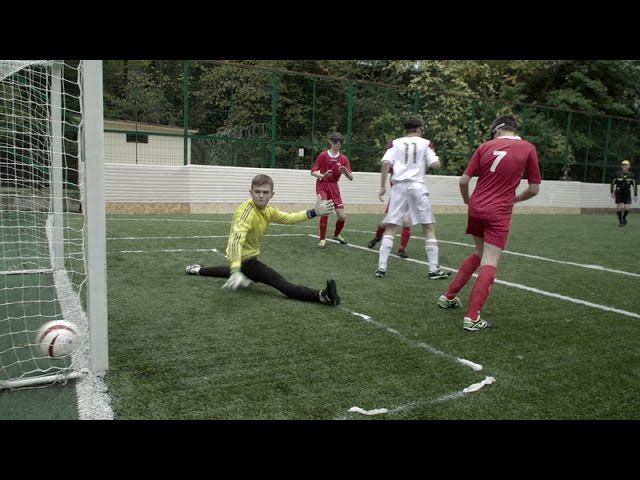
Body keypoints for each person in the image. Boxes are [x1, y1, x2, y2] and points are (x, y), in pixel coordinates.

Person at [437, 115, 541, 331]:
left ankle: (448, 297)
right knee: (490, 260)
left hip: (476, 207)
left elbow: (463, 181)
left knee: (479, 252)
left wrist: (467, 201)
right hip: (498, 211)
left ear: (497, 130)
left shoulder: (484, 146)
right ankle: (472, 318)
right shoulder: (528, 148)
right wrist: (515, 199)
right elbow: (534, 189)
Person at [185, 174, 340, 306]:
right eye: (257, 191)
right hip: (246, 260)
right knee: (282, 284)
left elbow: (289, 218)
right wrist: (235, 268)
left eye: (265, 192)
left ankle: (197, 270)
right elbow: (235, 241)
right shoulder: (246, 213)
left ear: (272, 194)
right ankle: (322, 296)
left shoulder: (268, 210)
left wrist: (314, 212)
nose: (261, 195)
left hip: (247, 260)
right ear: (251, 192)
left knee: (238, 272)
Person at [375, 115, 448, 279]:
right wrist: (436, 160)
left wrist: (382, 186)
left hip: (399, 187)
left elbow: (385, 163)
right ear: (419, 129)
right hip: (417, 186)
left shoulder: (395, 143)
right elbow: (435, 164)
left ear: (405, 129)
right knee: (428, 227)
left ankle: (381, 268)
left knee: (391, 226)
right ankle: (433, 270)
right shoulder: (425, 143)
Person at [310, 132, 354, 248]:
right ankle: (322, 239)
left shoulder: (343, 159)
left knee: (342, 216)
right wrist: (323, 175)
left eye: (340, 142)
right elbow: (313, 172)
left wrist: (346, 173)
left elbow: (351, 177)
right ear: (330, 142)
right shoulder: (323, 155)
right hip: (322, 185)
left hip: (334, 187)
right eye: (335, 141)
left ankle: (336, 235)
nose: (338, 144)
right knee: (325, 210)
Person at [368, 162, 412, 258]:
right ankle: (377, 238)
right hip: (395, 198)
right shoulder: (395, 162)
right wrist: (383, 187)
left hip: (408, 197)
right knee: (384, 223)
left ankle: (402, 249)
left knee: (406, 221)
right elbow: (386, 165)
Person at [610, 159, 637, 226]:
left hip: (627, 192)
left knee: (627, 208)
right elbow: (612, 183)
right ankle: (620, 221)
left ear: (629, 166)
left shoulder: (632, 175)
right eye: (623, 165)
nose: (624, 166)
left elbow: (634, 185)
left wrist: (635, 194)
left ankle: (624, 217)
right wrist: (612, 192)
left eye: (626, 165)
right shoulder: (617, 174)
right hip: (619, 192)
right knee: (619, 207)